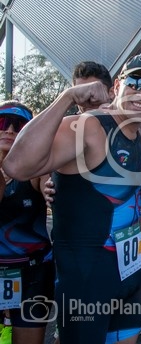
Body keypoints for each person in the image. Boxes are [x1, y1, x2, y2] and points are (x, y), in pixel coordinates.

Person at [3, 54, 141, 344]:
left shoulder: (140, 138)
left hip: (129, 275)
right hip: (87, 283)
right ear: (117, 86)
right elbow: (17, 165)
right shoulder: (88, 126)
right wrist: (67, 97)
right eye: (134, 81)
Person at [0, 101, 53, 344]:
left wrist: (52, 191)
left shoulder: (36, 168)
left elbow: (49, 189)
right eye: (3, 122)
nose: (10, 130)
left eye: (19, 125)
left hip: (33, 272)